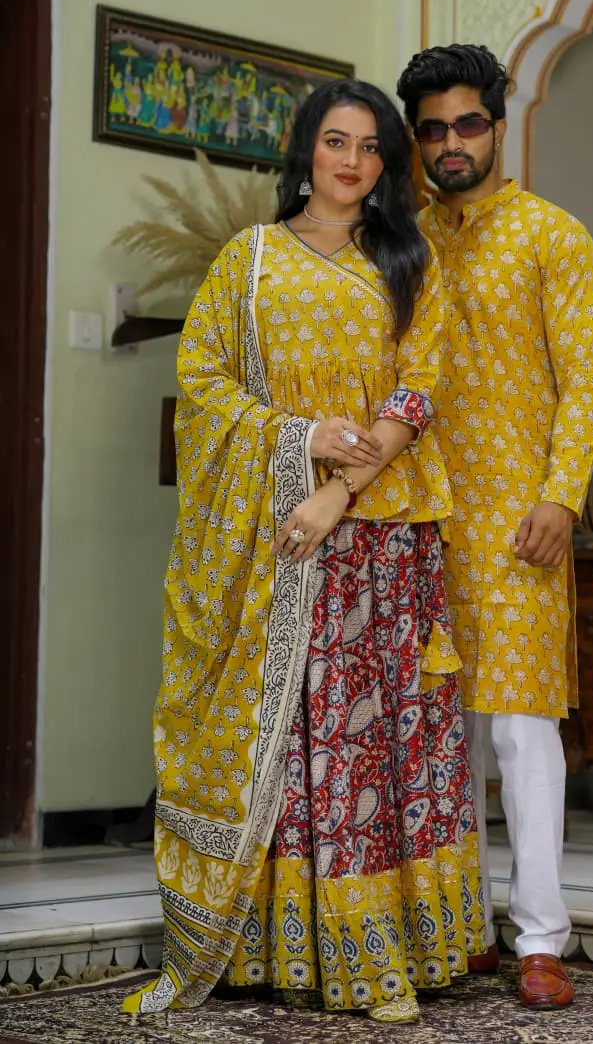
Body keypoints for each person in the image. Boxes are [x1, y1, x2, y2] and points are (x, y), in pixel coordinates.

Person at [124, 78, 485, 1024]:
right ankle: (270, 948)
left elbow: (416, 392)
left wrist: (337, 488)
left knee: (374, 743)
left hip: (382, 538)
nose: (352, 162)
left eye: (370, 147)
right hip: (277, 542)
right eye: (336, 141)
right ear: (307, 149)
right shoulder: (247, 262)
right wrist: (300, 440)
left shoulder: (407, 259)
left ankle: (380, 957)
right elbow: (204, 382)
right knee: (292, 739)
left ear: (387, 163)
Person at [396, 45, 593, 1011]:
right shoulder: (403, 242)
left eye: (467, 123)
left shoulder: (554, 236)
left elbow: (583, 382)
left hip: (523, 521)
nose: (452, 143)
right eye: (433, 129)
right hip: (418, 517)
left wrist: (562, 498)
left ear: (498, 124)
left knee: (522, 730)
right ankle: (456, 927)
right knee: (441, 734)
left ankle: (540, 939)